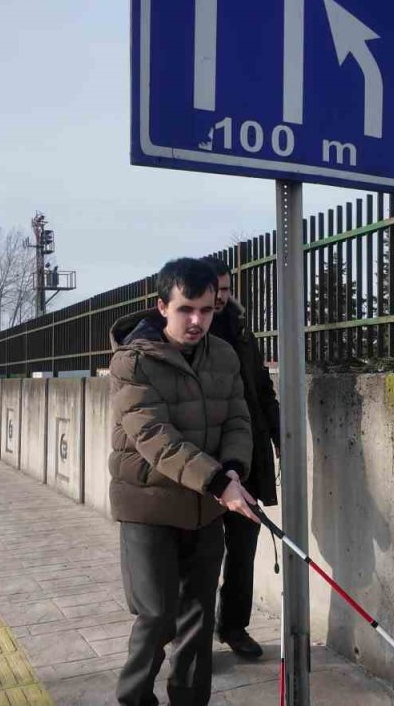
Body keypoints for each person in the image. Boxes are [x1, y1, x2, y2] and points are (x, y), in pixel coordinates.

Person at [108, 257, 260, 706]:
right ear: (162, 306)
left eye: (207, 310)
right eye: (186, 309)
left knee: (198, 620)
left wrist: (233, 466)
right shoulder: (132, 361)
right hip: (148, 507)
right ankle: (134, 698)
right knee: (157, 616)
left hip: (205, 508)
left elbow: (238, 417)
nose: (197, 321)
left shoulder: (225, 354)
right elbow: (153, 436)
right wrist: (217, 480)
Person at [202, 257, 281, 660]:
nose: (220, 297)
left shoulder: (241, 330)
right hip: (205, 465)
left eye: (226, 289)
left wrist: (279, 435)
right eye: (214, 289)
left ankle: (234, 626)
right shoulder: (188, 334)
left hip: (248, 457)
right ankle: (193, 640)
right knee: (201, 555)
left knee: (243, 548)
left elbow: (262, 388)